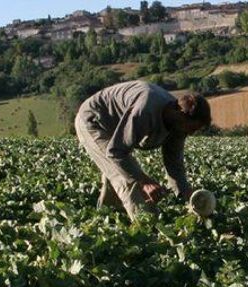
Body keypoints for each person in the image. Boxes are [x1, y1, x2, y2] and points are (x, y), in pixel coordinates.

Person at [75, 81, 212, 220]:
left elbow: (174, 163)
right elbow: (117, 152)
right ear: (179, 114)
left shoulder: (179, 126)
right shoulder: (146, 110)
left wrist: (186, 192)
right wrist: (144, 181)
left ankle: (107, 220)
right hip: (95, 121)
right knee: (128, 180)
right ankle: (147, 232)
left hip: (117, 127)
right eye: (191, 128)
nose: (191, 133)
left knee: (121, 171)